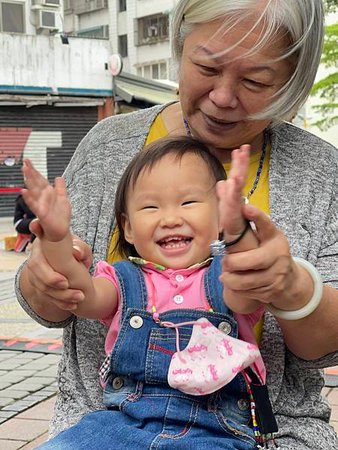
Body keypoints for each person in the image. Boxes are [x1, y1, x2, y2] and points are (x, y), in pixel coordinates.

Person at [15, 0, 338, 449]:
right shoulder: (107, 147)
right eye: (206, 66)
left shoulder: (322, 173)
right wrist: (49, 254)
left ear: (292, 80)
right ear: (180, 46)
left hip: (261, 431)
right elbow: (72, 295)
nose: (224, 97)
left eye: (255, 80)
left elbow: (305, 330)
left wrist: (291, 288)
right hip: (108, 423)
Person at [22, 136, 271, 449]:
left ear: (220, 215)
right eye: (151, 207)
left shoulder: (226, 278)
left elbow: (250, 282)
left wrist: (238, 231)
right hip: (123, 423)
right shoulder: (123, 280)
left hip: (216, 431)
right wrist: (56, 238)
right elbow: (80, 293)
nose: (170, 218)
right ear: (127, 228)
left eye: (188, 202)